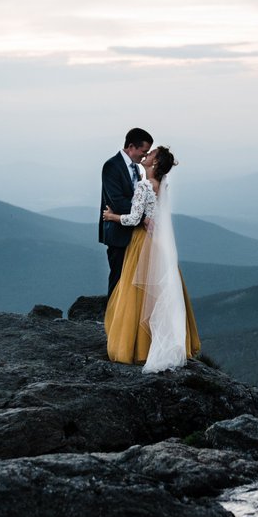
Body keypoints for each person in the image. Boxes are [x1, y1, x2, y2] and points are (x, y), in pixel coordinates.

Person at [102, 145, 200, 371]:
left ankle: (137, 346)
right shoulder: (161, 185)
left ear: (155, 163)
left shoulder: (145, 185)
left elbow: (134, 218)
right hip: (157, 244)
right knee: (157, 292)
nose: (146, 155)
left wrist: (112, 216)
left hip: (140, 242)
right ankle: (157, 343)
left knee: (135, 292)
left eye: (151, 154)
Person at [99, 127, 153, 297]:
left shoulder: (135, 168)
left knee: (131, 281)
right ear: (131, 147)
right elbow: (117, 201)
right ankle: (112, 312)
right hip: (118, 232)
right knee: (117, 277)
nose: (144, 156)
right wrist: (142, 217)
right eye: (143, 151)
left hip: (133, 231)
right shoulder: (111, 166)